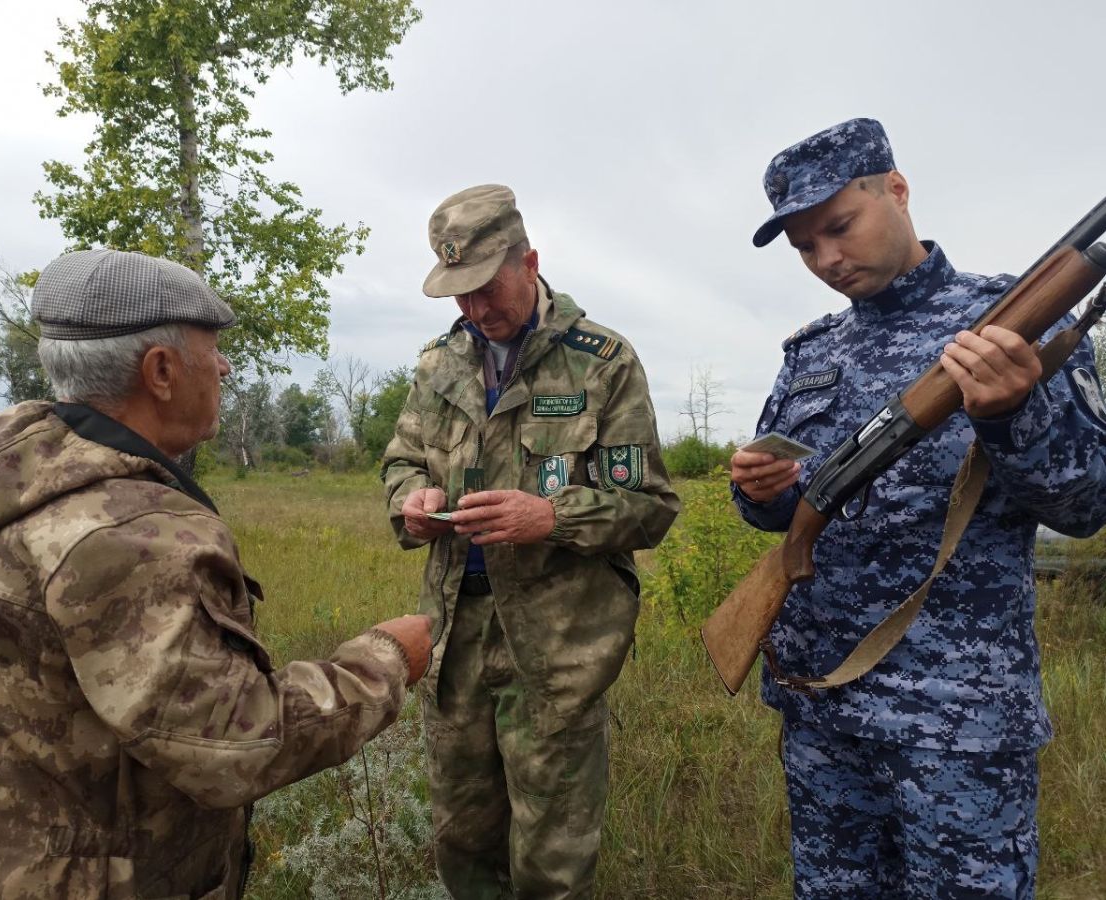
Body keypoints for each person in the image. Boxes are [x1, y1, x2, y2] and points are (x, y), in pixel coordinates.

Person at [0, 248, 432, 899]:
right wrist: (383, 660)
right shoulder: (127, 533)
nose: (224, 366)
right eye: (210, 349)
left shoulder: (12, 484)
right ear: (160, 371)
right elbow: (234, 744)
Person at [732, 117, 1106, 897]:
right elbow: (787, 507)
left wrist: (1010, 412)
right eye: (805, 246)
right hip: (823, 708)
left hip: (957, 722)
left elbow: (1084, 503)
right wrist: (762, 493)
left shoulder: (1016, 322)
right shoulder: (810, 352)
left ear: (897, 191)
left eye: (840, 226)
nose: (827, 259)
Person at [382, 184, 679, 898]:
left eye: (487, 288)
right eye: (460, 297)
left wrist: (551, 517)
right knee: (461, 843)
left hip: (555, 650)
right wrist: (411, 502)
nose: (477, 310)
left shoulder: (601, 361)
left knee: (552, 863)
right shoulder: (438, 365)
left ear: (529, 262)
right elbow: (401, 460)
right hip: (454, 642)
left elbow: (651, 507)